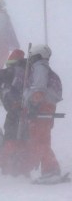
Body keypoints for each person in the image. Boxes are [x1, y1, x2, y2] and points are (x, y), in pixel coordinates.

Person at [0, 49, 28, 175]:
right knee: (23, 139)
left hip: (16, 111)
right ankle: (22, 167)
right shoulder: (26, 73)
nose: (8, 67)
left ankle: (10, 167)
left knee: (11, 137)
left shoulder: (18, 70)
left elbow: (5, 74)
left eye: (9, 64)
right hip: (24, 112)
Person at [23, 44, 65, 183]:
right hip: (47, 107)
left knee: (39, 140)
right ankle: (51, 168)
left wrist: (34, 103)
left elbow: (39, 86)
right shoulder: (46, 68)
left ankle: (50, 170)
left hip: (40, 107)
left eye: (31, 56)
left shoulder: (39, 67)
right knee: (43, 140)